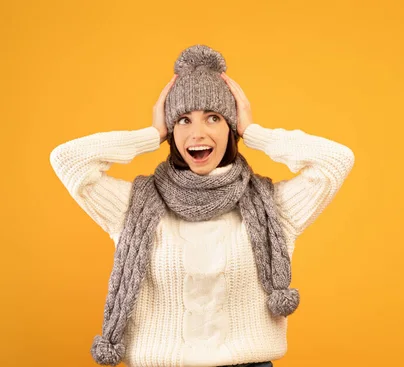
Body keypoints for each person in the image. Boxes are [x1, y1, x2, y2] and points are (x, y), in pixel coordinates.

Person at [50, 44, 355, 367]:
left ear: (230, 127)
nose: (198, 133)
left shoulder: (272, 207)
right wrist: (151, 134)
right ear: (172, 131)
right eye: (183, 120)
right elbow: (68, 160)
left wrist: (253, 132)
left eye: (213, 117)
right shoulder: (133, 207)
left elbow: (335, 161)